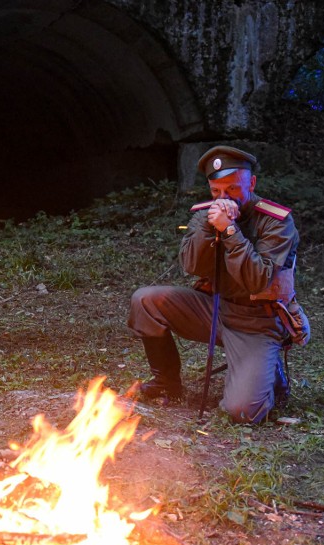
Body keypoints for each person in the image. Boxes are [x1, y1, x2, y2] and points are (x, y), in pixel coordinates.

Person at [127, 145, 310, 423]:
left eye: (233, 190)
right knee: (146, 300)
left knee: (242, 412)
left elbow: (257, 279)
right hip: (215, 309)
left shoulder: (276, 222)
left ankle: (271, 376)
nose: (223, 199)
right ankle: (166, 383)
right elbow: (191, 266)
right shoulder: (205, 214)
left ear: (251, 182)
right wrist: (208, 228)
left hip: (257, 322)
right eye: (216, 192)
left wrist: (230, 231)